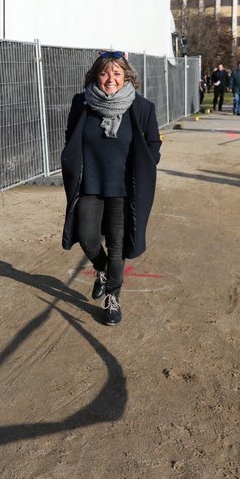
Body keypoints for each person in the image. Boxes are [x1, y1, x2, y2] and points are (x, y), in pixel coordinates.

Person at [61, 51, 162, 325]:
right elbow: (71, 137)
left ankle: (112, 300)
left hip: (123, 190)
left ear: (126, 77)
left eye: (117, 73)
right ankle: (102, 269)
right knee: (87, 236)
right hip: (90, 185)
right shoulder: (82, 103)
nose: (110, 79)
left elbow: (153, 144)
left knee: (117, 247)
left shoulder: (142, 108)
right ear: (95, 75)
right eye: (105, 73)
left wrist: (146, 165)